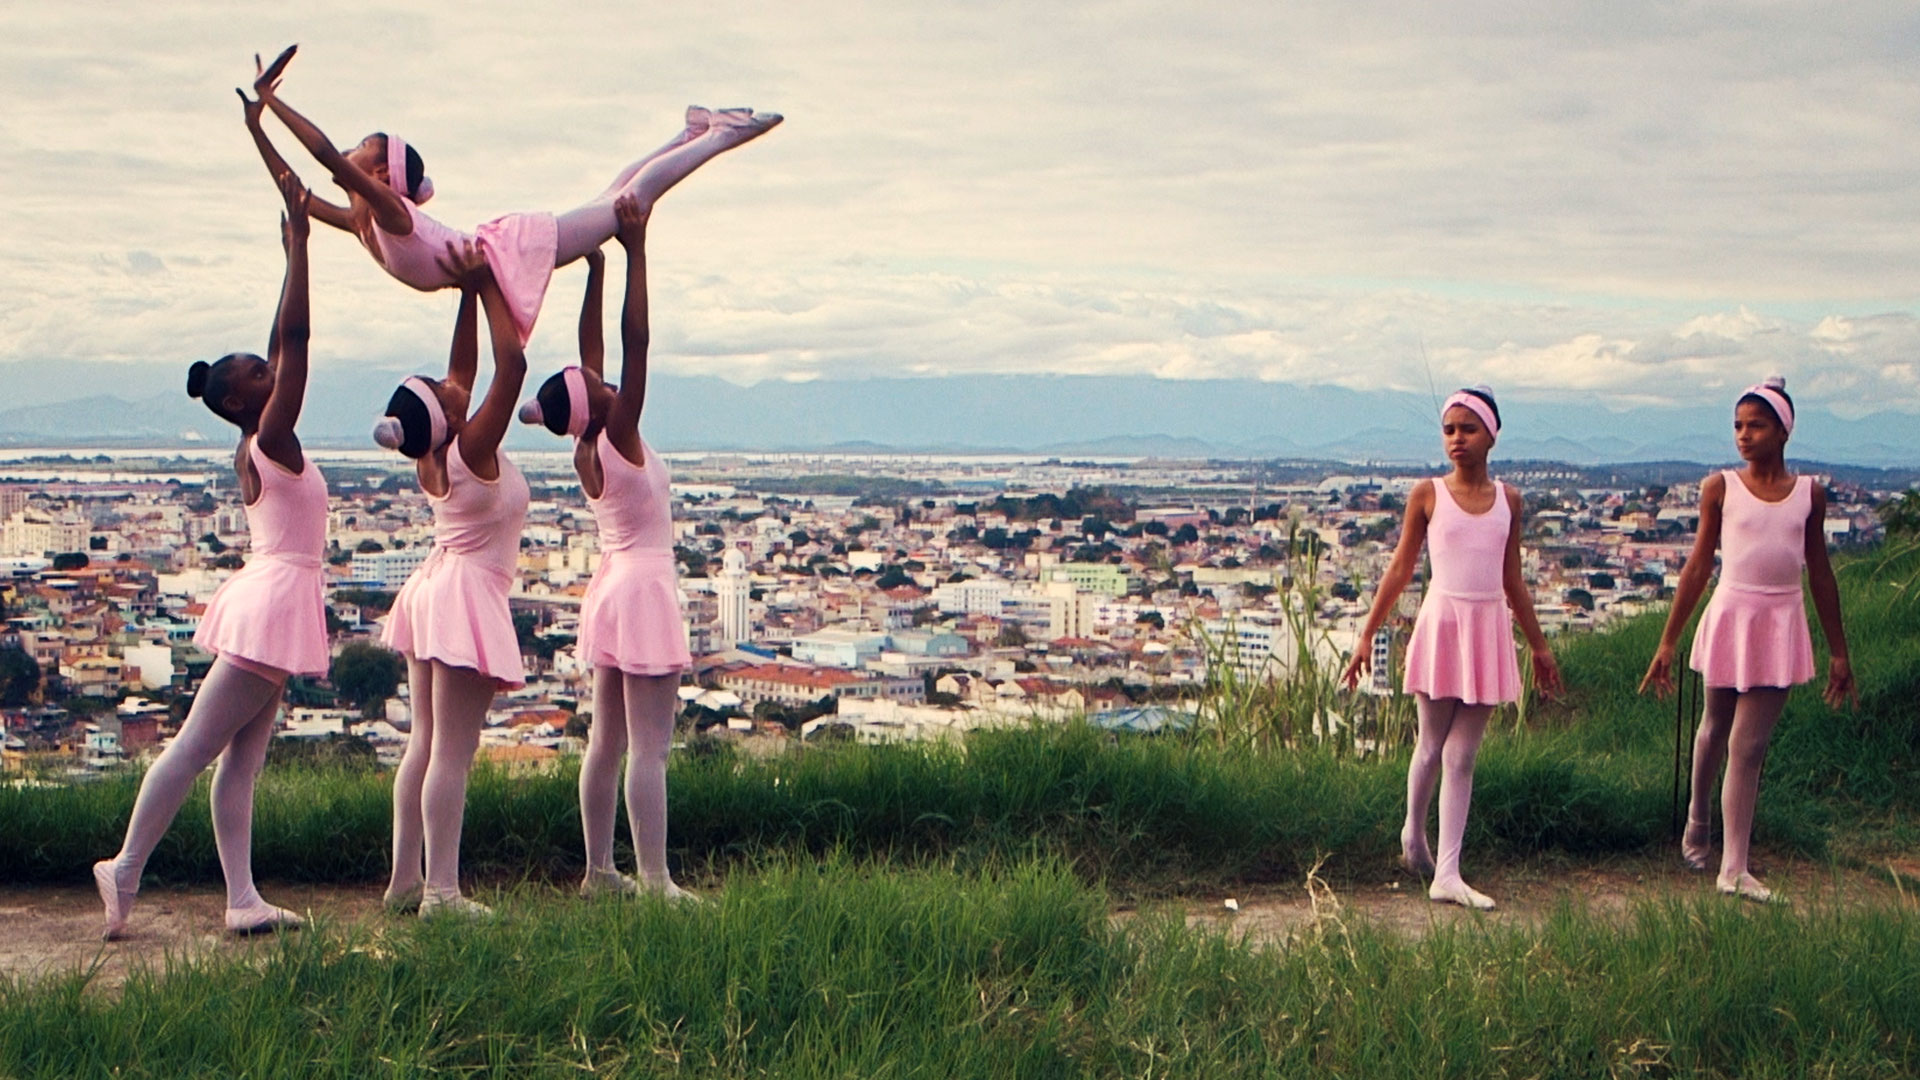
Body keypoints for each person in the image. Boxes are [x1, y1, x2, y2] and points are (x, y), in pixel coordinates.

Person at [95, 173, 325, 939]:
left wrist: (294, 250)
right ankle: (125, 865)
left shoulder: (251, 435)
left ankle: (242, 899)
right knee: (198, 747)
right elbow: (293, 344)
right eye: (257, 378)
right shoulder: (272, 436)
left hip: (273, 601)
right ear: (240, 401)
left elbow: (275, 346)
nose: (270, 374)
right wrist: (300, 252)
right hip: (272, 606)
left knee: (239, 763)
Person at [238, 44, 780, 344]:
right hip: (504, 251)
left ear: (381, 175)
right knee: (613, 196)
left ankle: (721, 134)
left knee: (623, 204)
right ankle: (690, 133)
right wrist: (257, 125)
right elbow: (297, 192)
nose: (352, 150)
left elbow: (324, 156)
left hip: (510, 249)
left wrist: (273, 103)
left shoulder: (389, 212)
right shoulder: (363, 222)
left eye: (364, 146)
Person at [520, 195, 696, 900]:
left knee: (607, 742)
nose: (604, 377)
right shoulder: (620, 434)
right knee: (649, 747)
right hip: (646, 588)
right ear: (595, 405)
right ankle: (654, 879)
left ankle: (601, 870)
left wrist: (594, 270)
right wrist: (637, 250)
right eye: (597, 385)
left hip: (612, 585)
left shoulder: (587, 445)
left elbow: (594, 358)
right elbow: (636, 344)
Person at [1341, 386, 1563, 910]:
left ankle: (1448, 871)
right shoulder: (1428, 494)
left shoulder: (1509, 500)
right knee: (1430, 744)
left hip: (1485, 625)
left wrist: (1538, 646)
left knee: (1462, 754)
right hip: (1442, 623)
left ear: (1492, 435)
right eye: (1449, 430)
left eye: (1468, 429)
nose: (1457, 439)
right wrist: (1366, 633)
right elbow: (1400, 566)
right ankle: (1413, 836)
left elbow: (1513, 579)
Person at [1639, 376, 1855, 903]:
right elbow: (1696, 567)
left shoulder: (1809, 495)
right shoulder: (1721, 488)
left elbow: (1820, 573)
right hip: (1732, 614)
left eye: (1756, 425)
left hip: (1780, 621)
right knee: (1715, 726)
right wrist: (1668, 642)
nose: (1743, 434)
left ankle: (1734, 866)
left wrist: (1838, 651)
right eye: (1738, 425)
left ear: (1783, 431)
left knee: (1749, 743)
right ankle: (1698, 819)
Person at [374, 240, 531, 917]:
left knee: (424, 743)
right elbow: (512, 365)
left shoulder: (433, 456)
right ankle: (442, 890)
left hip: (433, 588)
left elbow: (463, 371)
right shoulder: (473, 447)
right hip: (465, 593)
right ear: (444, 415)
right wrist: (494, 284)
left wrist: (466, 291)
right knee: (454, 754)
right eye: (443, 392)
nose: (451, 384)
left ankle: (405, 878)